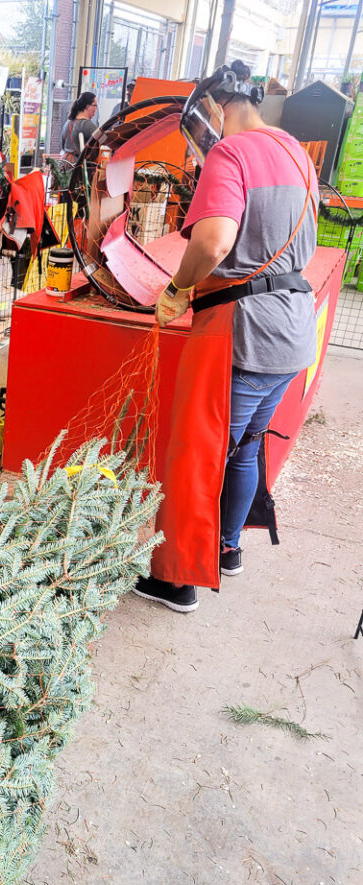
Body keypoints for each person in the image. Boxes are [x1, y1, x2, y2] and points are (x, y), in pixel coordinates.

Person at [132, 61, 319, 613]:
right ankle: (228, 548)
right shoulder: (292, 150)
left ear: (214, 108)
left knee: (199, 455)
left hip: (245, 336)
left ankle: (177, 579)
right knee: (244, 449)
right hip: (291, 335)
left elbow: (214, 242)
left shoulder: (229, 153)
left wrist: (177, 287)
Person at [61, 92, 99, 162]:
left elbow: (63, 146)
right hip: (77, 167)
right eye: (95, 105)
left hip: (64, 164)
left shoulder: (67, 123)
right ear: (88, 106)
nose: (96, 109)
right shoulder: (87, 125)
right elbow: (103, 141)